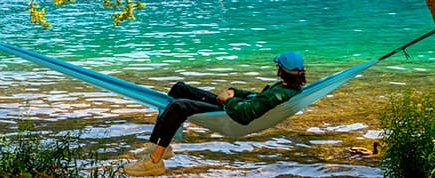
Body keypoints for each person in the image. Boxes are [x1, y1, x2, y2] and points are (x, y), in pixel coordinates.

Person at [123, 51, 307, 176]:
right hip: (234, 105)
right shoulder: (287, 89)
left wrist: (229, 100)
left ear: (281, 70)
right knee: (179, 89)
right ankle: (161, 145)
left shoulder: (279, 93)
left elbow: (247, 113)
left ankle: (155, 162)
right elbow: (257, 98)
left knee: (179, 106)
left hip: (232, 116)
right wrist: (234, 92)